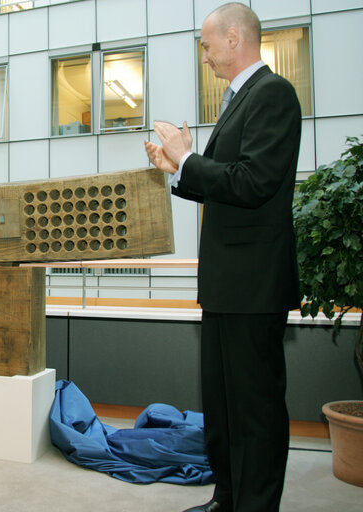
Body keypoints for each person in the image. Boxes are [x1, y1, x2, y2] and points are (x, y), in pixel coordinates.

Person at [144, 4, 301, 512]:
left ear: (235, 39)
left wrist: (189, 159)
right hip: (227, 285)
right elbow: (225, 187)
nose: (205, 56)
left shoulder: (273, 94)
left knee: (254, 410)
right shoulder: (239, 100)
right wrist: (177, 168)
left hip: (253, 286)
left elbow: (253, 184)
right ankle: (227, 498)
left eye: (208, 45)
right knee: (223, 407)